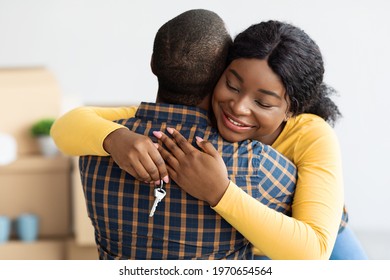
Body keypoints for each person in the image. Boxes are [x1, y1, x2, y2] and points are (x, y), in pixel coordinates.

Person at [51, 17, 366, 259]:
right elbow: (68, 125)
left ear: (290, 111)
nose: (238, 107)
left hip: (314, 248)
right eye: (232, 85)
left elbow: (314, 250)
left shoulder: (310, 134)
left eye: (263, 102)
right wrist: (115, 138)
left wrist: (219, 191)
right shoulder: (205, 115)